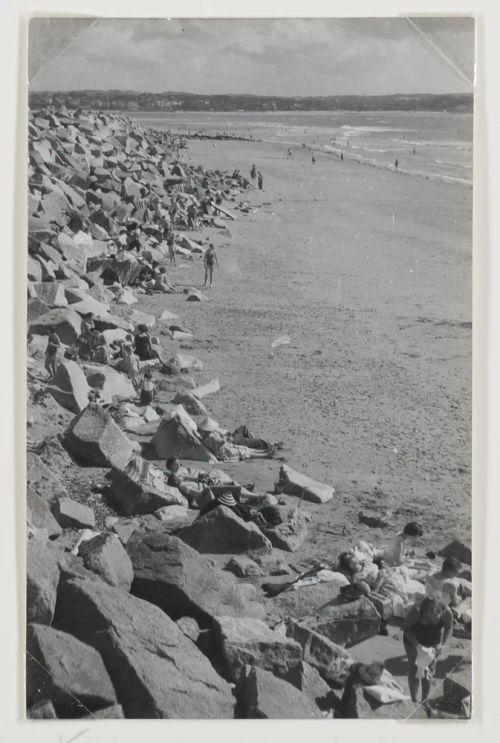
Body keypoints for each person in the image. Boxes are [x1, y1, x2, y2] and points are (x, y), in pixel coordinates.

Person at [403, 596, 453, 702]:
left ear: (442, 613)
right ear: (427, 610)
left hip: (433, 640)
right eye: (431, 618)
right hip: (413, 638)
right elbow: (405, 628)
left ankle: (424, 700)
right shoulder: (417, 610)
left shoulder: (447, 613)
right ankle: (413, 700)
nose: (434, 622)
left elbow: (449, 627)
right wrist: (417, 645)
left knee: (428, 671)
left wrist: (443, 645)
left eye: (437, 619)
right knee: (414, 668)